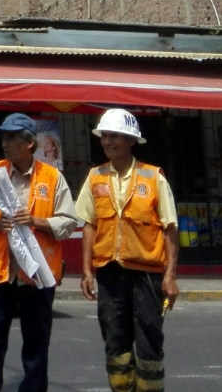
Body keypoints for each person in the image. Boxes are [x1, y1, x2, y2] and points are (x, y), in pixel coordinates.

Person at [0, 113, 78, 392]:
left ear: (30, 143)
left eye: (12, 137)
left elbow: (68, 221)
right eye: (3, 137)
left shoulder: (52, 178)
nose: (5, 143)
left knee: (36, 346)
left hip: (37, 277)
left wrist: (37, 221)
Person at [77, 109, 179, 392]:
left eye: (115, 136)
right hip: (110, 272)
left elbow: (170, 229)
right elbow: (89, 225)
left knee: (149, 340)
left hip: (146, 274)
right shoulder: (95, 177)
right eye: (105, 136)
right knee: (115, 340)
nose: (108, 141)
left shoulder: (153, 177)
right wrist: (87, 271)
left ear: (131, 141)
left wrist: (169, 277)